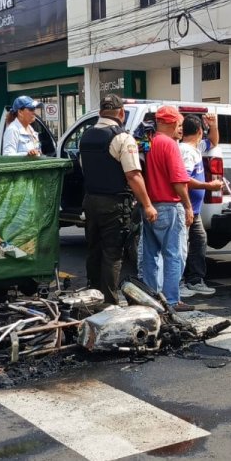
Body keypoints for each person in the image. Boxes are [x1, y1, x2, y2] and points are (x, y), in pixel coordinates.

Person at [80, 94, 157, 305]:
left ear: (100, 113)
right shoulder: (122, 138)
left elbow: (84, 167)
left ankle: (91, 299)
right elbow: (133, 175)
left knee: (93, 250)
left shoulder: (85, 136)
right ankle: (109, 303)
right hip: (114, 203)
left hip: (91, 201)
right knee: (112, 254)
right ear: (121, 113)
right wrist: (148, 204)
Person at [141, 105, 194, 312]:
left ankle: (150, 299)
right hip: (169, 206)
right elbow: (179, 181)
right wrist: (188, 206)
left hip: (149, 206)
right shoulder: (169, 145)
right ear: (171, 123)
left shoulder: (147, 142)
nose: (180, 128)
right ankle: (172, 300)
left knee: (150, 256)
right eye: (179, 124)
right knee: (174, 255)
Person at [179, 113, 221, 296]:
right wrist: (208, 185)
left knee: (199, 241)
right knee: (180, 247)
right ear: (198, 131)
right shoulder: (187, 151)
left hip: (193, 211)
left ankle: (195, 280)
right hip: (184, 208)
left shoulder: (195, 148)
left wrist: (214, 126)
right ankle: (179, 283)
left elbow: (213, 142)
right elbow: (183, 180)